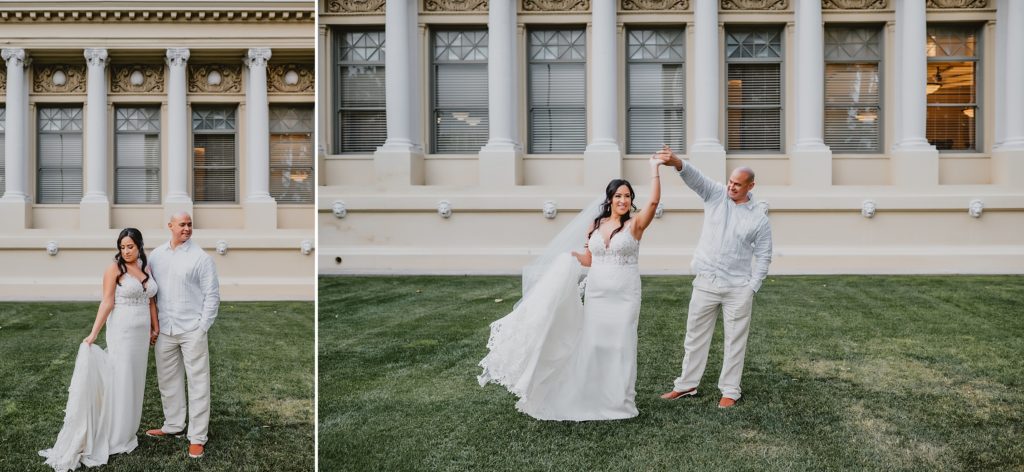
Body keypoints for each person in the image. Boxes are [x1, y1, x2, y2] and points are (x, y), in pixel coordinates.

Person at [478, 156, 664, 421]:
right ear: (610, 198)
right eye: (618, 195)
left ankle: (620, 401)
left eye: (627, 196)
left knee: (621, 346)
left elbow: (654, 203)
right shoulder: (596, 226)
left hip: (625, 295)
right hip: (598, 293)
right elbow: (590, 260)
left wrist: (654, 169)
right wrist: (569, 258)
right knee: (595, 344)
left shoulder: (635, 225)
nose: (623, 200)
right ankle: (592, 395)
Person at [655, 146, 773, 408]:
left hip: (738, 287)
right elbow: (694, 177)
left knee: (734, 341)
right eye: (730, 181)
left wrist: (752, 287)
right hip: (706, 281)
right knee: (694, 335)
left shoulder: (759, 219)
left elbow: (765, 256)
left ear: (750, 186)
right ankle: (686, 385)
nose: (731, 187)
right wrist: (676, 162)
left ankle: (730, 390)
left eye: (738, 184)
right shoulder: (715, 194)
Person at [39, 228, 159, 471]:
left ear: (139, 246)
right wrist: (93, 334)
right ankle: (115, 435)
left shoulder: (146, 268)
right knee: (121, 378)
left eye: (130, 247)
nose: (126, 251)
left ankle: (128, 431)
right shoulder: (114, 269)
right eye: (122, 247)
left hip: (141, 332)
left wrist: (155, 327)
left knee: (136, 380)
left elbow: (151, 300)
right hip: (123, 331)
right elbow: (107, 302)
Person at [145, 212, 220, 458]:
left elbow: (212, 296)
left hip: (192, 330)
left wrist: (202, 328)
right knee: (167, 381)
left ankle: (197, 437)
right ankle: (174, 425)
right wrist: (153, 325)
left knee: (198, 384)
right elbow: (151, 291)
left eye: (190, 224)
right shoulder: (156, 256)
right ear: (170, 226)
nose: (187, 228)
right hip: (165, 329)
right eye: (182, 225)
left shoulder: (201, 258)